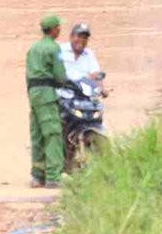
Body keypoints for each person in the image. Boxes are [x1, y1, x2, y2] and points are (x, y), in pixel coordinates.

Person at [26, 14, 70, 188]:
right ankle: (53, 176)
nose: (60, 30)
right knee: (52, 134)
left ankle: (37, 176)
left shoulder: (33, 48)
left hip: (34, 95)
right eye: (58, 27)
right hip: (47, 95)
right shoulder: (53, 49)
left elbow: (28, 75)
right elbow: (60, 75)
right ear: (53, 29)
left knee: (37, 135)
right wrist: (63, 83)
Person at [60, 22, 109, 91]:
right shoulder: (60, 50)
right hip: (63, 92)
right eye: (79, 36)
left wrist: (101, 88)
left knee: (97, 102)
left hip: (82, 93)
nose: (82, 40)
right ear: (71, 37)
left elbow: (95, 73)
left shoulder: (89, 54)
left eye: (85, 38)